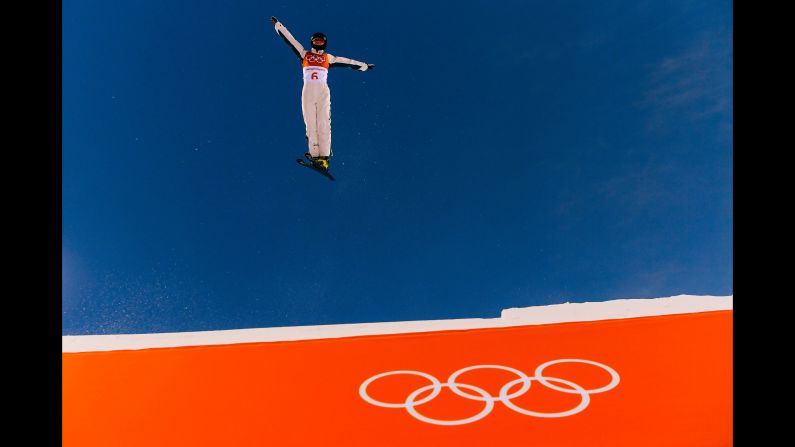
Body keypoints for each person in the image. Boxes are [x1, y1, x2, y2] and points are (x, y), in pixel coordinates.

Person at [270, 16, 375, 172]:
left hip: (322, 91)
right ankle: (315, 155)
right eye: (316, 41)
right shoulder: (304, 54)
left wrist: (364, 66)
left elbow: (347, 62)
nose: (318, 43)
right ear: (312, 42)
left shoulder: (328, 58)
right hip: (308, 91)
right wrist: (278, 25)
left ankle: (324, 158)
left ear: (324, 43)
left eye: (320, 41)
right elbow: (290, 40)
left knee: (323, 123)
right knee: (310, 123)